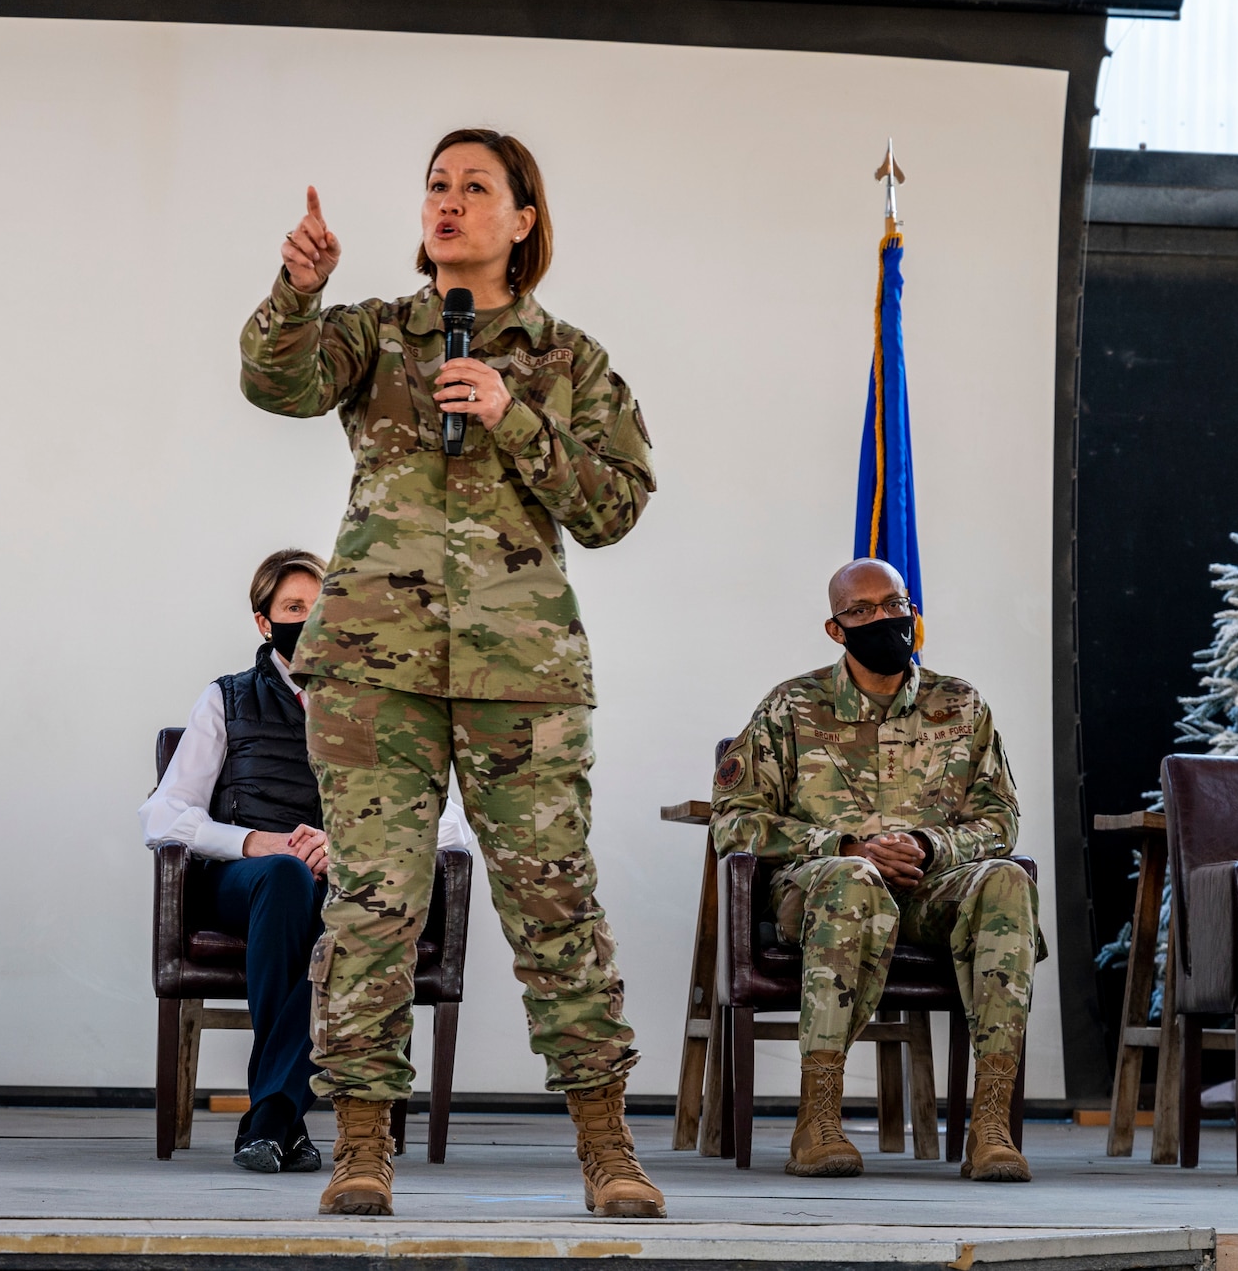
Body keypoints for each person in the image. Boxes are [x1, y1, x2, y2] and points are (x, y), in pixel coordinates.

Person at [239, 129, 663, 1219]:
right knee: (375, 905)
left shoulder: (569, 360)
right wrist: (297, 287)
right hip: (372, 673)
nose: (449, 201)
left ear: (523, 219)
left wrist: (512, 415)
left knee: (551, 903)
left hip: (520, 674)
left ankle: (605, 1145)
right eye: (436, 185)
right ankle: (361, 1144)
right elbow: (273, 381)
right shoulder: (377, 335)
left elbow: (614, 505)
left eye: (476, 187)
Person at [141, 548, 476, 1174]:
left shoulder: (379, 705)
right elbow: (161, 815)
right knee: (287, 874)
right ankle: (279, 1115)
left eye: (320, 608)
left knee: (337, 917)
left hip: (340, 886)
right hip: (247, 883)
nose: (310, 619)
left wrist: (349, 847)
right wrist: (251, 842)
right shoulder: (227, 700)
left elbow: (450, 823)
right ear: (265, 623)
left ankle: (273, 1120)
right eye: (295, 608)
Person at [710, 558, 1044, 1183]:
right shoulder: (791, 707)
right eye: (861, 611)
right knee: (852, 878)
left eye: (892, 604)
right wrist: (846, 844)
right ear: (836, 629)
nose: (881, 619)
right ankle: (819, 1119)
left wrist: (926, 843)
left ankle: (991, 1124)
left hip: (927, 890)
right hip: (822, 892)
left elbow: (1000, 819)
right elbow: (735, 821)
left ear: (912, 610)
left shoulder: (962, 706)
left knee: (1008, 878)